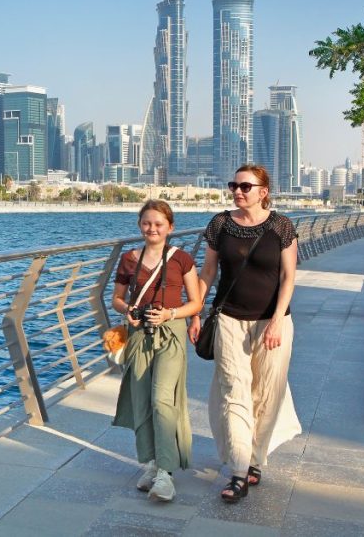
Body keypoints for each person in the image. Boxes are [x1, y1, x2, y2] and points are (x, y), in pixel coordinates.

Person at [197, 164, 302, 504]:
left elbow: (288, 277)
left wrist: (275, 320)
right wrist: (196, 311)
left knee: (267, 393)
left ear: (263, 191)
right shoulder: (220, 223)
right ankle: (240, 470)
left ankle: (257, 458)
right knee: (234, 391)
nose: (238, 191)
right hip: (229, 319)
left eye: (245, 186)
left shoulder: (281, 226)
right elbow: (208, 270)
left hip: (273, 322)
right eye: (234, 185)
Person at [112, 199, 203, 502]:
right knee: (141, 399)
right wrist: (128, 310)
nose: (152, 229)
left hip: (171, 334)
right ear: (140, 225)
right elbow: (116, 298)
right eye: (147, 223)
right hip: (140, 335)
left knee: (162, 399)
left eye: (158, 224)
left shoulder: (182, 259)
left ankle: (166, 473)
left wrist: (170, 314)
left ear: (170, 227)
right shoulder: (128, 259)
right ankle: (151, 463)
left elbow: (196, 303)